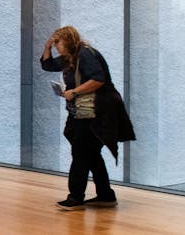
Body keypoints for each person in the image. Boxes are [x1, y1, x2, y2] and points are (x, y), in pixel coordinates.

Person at [41, 25, 135, 211]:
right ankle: (106, 195)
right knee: (90, 154)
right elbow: (48, 65)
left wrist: (74, 91)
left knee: (81, 152)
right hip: (82, 112)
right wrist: (47, 47)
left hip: (96, 111)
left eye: (57, 42)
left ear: (67, 40)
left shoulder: (85, 54)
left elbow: (98, 79)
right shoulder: (70, 58)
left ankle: (75, 197)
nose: (56, 46)